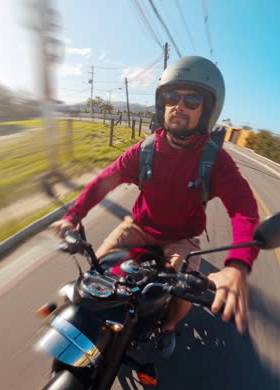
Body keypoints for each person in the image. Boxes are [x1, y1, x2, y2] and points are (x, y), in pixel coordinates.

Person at [51, 56, 260, 356]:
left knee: (182, 296)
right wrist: (72, 218)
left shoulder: (214, 160)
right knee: (96, 271)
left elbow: (244, 209)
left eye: (192, 100)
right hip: (138, 227)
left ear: (207, 111)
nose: (179, 106)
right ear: (162, 103)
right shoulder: (145, 150)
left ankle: (169, 328)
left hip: (181, 239)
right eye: (172, 97)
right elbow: (104, 181)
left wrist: (237, 266)